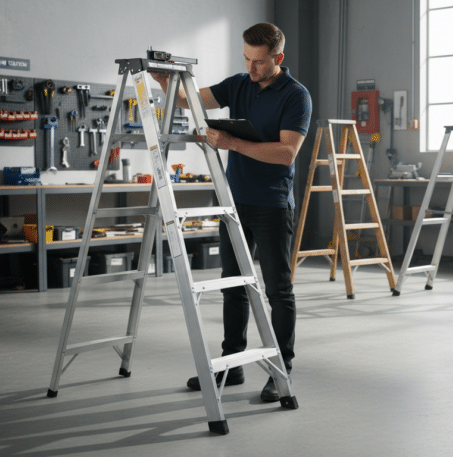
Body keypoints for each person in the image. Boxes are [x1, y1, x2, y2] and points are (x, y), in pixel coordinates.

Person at [152, 22, 311, 402]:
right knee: (234, 285)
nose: (251, 68)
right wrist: (165, 77)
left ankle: (280, 369)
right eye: (246, 59)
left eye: (258, 62)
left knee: (278, 289)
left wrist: (230, 142)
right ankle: (232, 363)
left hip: (272, 204)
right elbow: (189, 100)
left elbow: (286, 152)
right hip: (233, 202)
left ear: (278, 59)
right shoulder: (238, 84)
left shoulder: (296, 96)